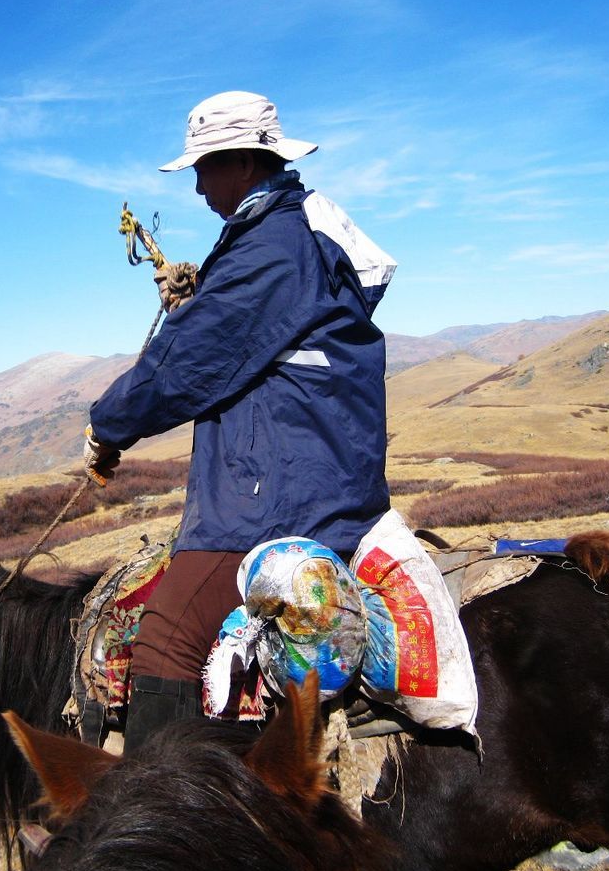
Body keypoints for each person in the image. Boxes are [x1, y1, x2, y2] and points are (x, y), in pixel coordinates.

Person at [84, 90, 396, 750]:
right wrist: (195, 304)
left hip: (279, 497)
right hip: (315, 474)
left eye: (204, 167)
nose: (197, 187)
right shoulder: (286, 233)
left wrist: (106, 425)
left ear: (245, 163)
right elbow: (242, 339)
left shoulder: (272, 248)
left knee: (164, 641)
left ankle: (163, 829)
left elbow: (188, 365)